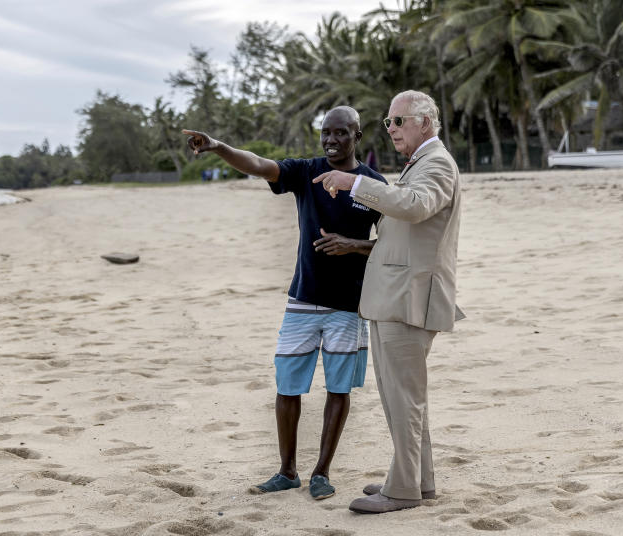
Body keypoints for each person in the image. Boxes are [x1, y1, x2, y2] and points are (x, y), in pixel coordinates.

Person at [183, 106, 386, 501]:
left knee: (339, 389)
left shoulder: (373, 185)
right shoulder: (306, 172)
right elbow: (259, 165)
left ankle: (321, 473)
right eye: (326, 132)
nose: (331, 140)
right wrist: (219, 146)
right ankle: (287, 471)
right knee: (288, 386)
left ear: (357, 136)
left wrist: (353, 245)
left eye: (341, 133)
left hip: (348, 305)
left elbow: (394, 244)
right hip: (303, 300)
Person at [313, 90, 464, 514]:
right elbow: (406, 224)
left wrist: (355, 182)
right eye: (389, 122)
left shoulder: (435, 162)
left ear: (425, 124)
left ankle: (402, 490)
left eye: (399, 121)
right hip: (397, 294)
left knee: (404, 398)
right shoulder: (424, 161)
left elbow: (415, 207)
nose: (392, 128)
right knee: (405, 396)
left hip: (408, 298)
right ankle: (417, 478)